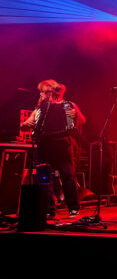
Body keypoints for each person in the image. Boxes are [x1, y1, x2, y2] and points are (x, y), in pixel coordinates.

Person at [21, 79, 85, 218]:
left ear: (50, 93)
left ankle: (73, 207)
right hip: (45, 144)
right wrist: (26, 124)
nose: (41, 95)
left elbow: (82, 120)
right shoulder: (40, 108)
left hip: (63, 144)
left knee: (67, 175)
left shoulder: (69, 105)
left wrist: (76, 115)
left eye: (42, 92)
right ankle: (49, 207)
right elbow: (28, 122)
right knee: (44, 176)